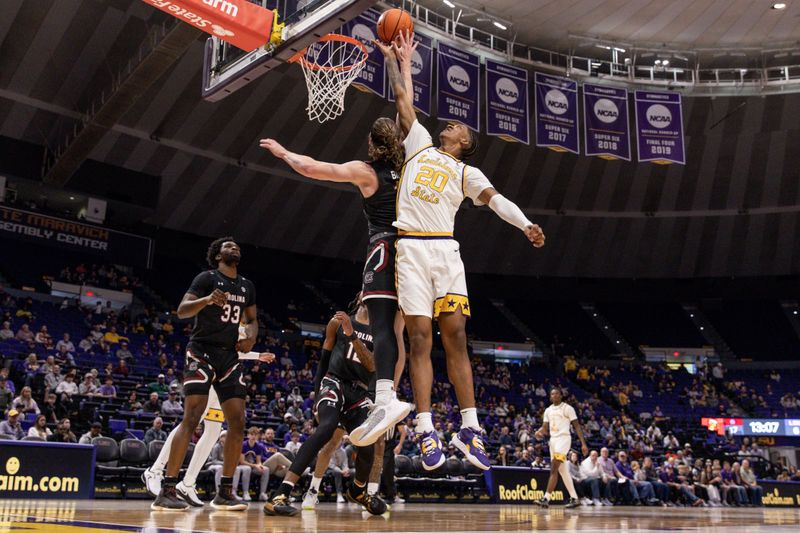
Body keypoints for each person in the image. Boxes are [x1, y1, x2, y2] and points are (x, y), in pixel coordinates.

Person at [374, 33, 545, 471]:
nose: (450, 125)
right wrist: (396, 60)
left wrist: (525, 224)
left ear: (465, 142)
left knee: (455, 338)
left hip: (446, 254)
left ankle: (470, 428)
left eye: (457, 127)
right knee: (418, 339)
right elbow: (400, 97)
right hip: (411, 248)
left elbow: (496, 200)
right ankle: (427, 429)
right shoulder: (419, 144)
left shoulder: (467, 170)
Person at [260, 115, 413, 448]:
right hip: (414, 253)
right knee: (399, 330)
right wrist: (401, 66)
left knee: (384, 327)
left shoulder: (366, 171)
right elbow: (407, 113)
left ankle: (385, 401)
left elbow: (313, 168)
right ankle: (391, 393)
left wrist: (285, 153)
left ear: (372, 143)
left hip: (385, 249)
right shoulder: (410, 166)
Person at [152, 237, 258, 512]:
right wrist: (207, 299)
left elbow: (252, 319)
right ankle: (168, 488)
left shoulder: (247, 285)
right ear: (217, 255)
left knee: (237, 422)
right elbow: (182, 310)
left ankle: (224, 492)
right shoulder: (206, 278)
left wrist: (251, 339)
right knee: (192, 417)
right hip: (201, 350)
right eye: (228, 246)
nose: (235, 247)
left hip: (229, 356)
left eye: (237, 245)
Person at [263, 298, 386, 516]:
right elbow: (324, 359)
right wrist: (318, 392)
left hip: (359, 392)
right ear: (358, 299)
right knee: (326, 427)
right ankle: (281, 494)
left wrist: (352, 335)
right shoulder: (336, 323)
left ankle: (357, 491)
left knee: (368, 443)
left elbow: (372, 365)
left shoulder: (380, 332)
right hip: (334, 381)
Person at [142, 345, 274, 507]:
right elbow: (228, 348)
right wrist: (257, 355)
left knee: (213, 432)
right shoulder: (234, 324)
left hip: (225, 375)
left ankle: (188, 484)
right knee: (191, 423)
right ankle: (155, 471)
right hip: (210, 371)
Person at [532, 387, 587, 508]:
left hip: (564, 440)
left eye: (557, 394)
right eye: (552, 394)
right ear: (550, 397)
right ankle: (574, 498)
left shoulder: (568, 408)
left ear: (561, 396)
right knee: (563, 471)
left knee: (554, 468)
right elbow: (545, 428)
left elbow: (577, 426)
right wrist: (539, 432)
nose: (554, 395)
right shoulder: (548, 410)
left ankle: (546, 498)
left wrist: (583, 443)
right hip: (553, 441)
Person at [240, 427, 270, 502]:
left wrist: (260, 465)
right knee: (248, 468)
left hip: (252, 466)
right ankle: (245, 492)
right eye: (252, 434)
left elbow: (258, 461)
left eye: (255, 435)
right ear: (248, 435)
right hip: (242, 466)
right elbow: (242, 461)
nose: (253, 436)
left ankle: (262, 493)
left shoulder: (258, 446)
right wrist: (255, 466)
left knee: (266, 469)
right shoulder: (243, 445)